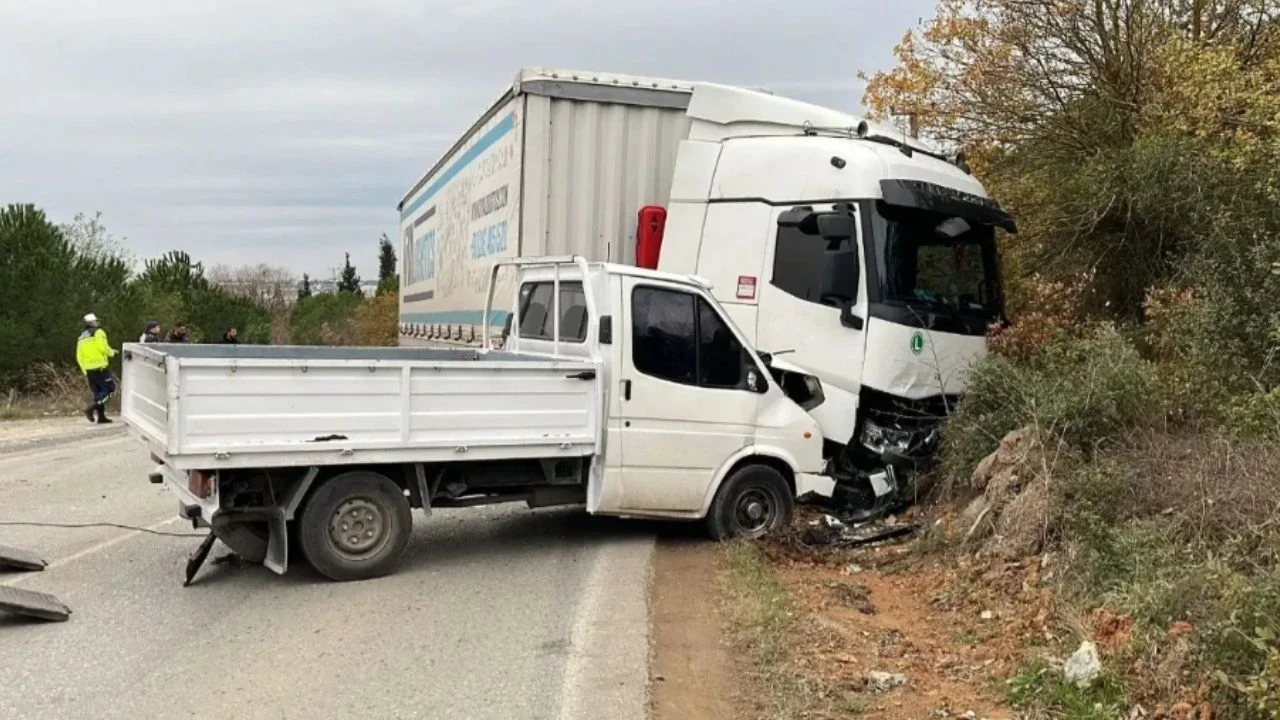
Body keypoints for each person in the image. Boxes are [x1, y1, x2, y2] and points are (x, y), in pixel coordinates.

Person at [76, 313, 117, 424]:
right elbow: (102, 347)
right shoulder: (98, 332)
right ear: (92, 323)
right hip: (100, 368)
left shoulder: (81, 336)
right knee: (110, 389)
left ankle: (101, 416)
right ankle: (91, 409)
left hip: (89, 370)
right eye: (96, 321)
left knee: (98, 393)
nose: (98, 322)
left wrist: (84, 370)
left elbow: (79, 355)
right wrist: (112, 353)